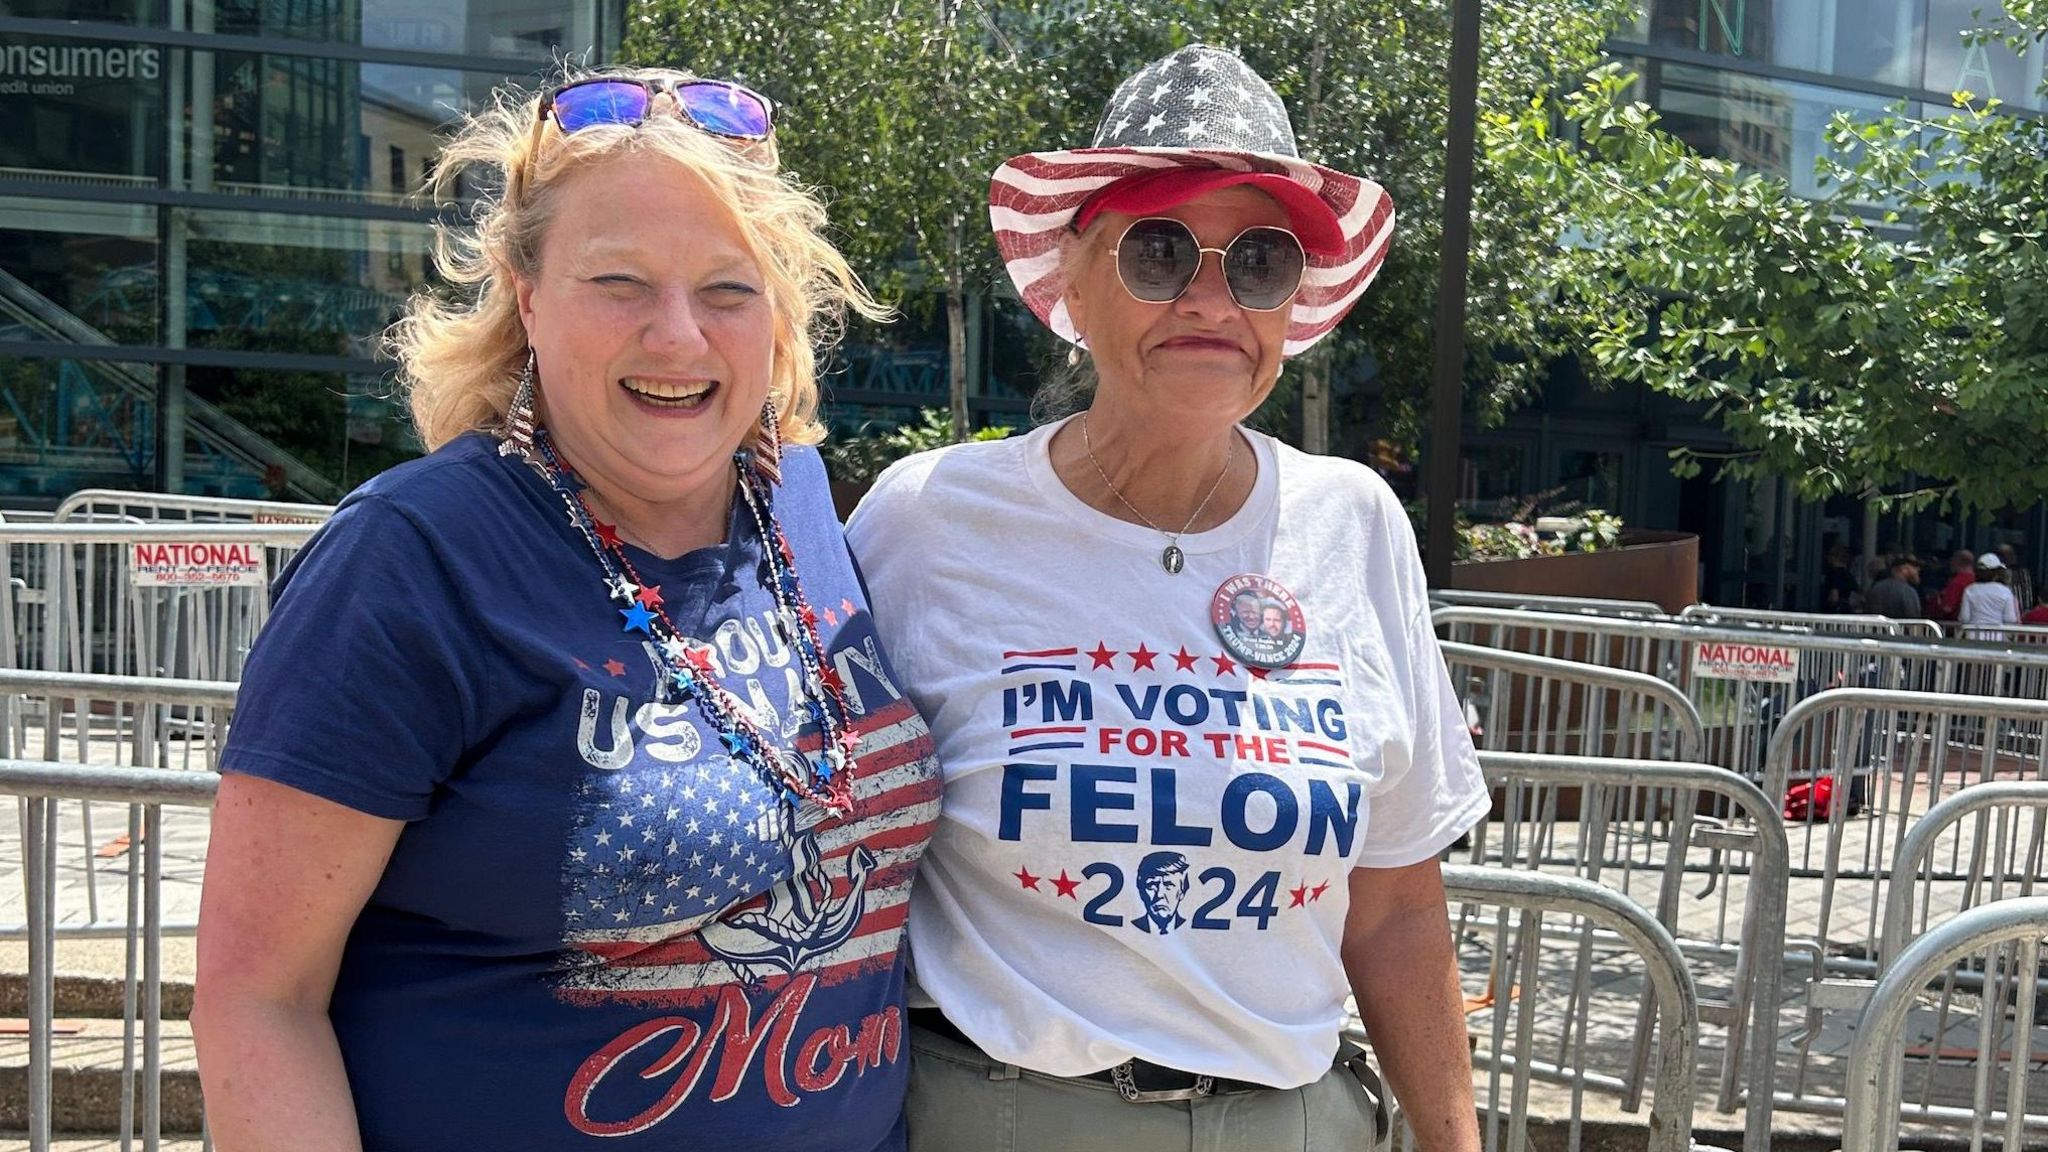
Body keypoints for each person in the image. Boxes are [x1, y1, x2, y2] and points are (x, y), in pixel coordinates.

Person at [191, 67, 941, 1152]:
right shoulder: (412, 561)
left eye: (728, 288)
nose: (678, 338)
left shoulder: (804, 503)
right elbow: (259, 998)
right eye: (619, 283)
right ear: (525, 294)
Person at [848, 45, 1486, 1152]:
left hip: (1293, 1122)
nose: (1207, 298)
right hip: (1002, 1118)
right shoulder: (929, 520)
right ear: (1076, 285)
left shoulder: (1353, 522)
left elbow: (1393, 908)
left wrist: (1452, 1140)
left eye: (1259, 262)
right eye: (1156, 251)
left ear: (1291, 307)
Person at [1958, 553, 2022, 639]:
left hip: (1973, 636)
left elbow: (1964, 618)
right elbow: (2010, 619)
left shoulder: (1970, 590)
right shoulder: (2005, 591)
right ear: (1997, 572)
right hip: (1997, 637)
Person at [1866, 554, 1923, 620]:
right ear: (1904, 569)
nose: (1918, 570)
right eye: (1914, 567)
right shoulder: (1908, 592)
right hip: (1900, 629)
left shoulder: (1876, 588)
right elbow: (1914, 621)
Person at [1935, 548, 1976, 620]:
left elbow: (1947, 608)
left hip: (1955, 625)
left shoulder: (1957, 583)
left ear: (1957, 561)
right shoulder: (1978, 581)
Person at [1996, 544, 2035, 617]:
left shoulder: (2023, 573)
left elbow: (2027, 593)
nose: (2007, 557)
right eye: (2003, 555)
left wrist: (2026, 611)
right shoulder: (1995, 573)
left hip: (2019, 613)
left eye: (2010, 554)